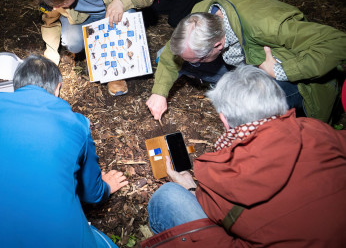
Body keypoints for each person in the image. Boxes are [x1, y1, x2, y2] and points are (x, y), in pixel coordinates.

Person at [141, 65, 346, 247]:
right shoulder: (318, 128)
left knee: (168, 196)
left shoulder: (226, 171)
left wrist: (190, 186)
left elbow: (216, 211)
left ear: (224, 120)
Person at [0, 55, 129, 247]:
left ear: (16, 85)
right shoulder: (77, 124)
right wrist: (105, 187)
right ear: (57, 88)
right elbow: (90, 193)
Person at [33, 0, 225, 97]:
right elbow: (49, 20)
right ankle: (88, 48)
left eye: (60, 4)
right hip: (82, 18)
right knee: (72, 42)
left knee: (129, 14)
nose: (56, 8)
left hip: (114, 13)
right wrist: (51, 54)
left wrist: (122, 1)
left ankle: (115, 74)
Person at [146, 0, 346, 123]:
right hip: (245, 62)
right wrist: (160, 93)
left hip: (297, 76)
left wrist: (279, 71)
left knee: (244, 104)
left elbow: (338, 42)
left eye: (197, 59)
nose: (190, 65)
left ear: (218, 45)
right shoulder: (200, 17)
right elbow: (170, 57)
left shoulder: (268, 26)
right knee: (165, 54)